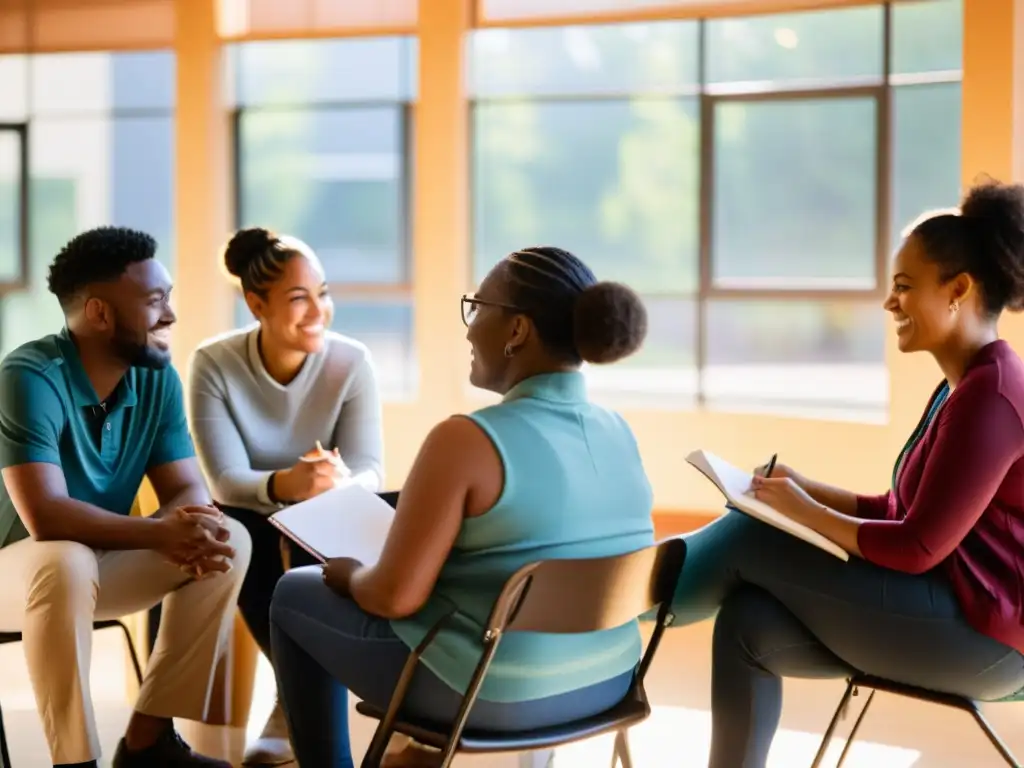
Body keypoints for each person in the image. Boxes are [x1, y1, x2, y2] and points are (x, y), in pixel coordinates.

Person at [669, 180, 1024, 768]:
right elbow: (898, 509)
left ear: (958, 290)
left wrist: (799, 515)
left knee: (754, 536)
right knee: (747, 623)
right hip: (954, 613)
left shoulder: (991, 397)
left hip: (989, 642)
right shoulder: (965, 386)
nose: (890, 304)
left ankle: (624, 600)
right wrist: (802, 489)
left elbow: (916, 546)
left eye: (904, 288)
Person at [267, 246, 652, 768]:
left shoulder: (466, 441)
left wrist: (351, 575)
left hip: (492, 696)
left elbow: (394, 598)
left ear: (517, 330)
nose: (469, 330)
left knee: (294, 591)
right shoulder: (620, 432)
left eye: (478, 307)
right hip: (611, 683)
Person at [0, 226, 252, 768]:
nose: (170, 316)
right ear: (99, 314)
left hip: (97, 566)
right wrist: (161, 531)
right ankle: (75, 760)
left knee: (229, 538)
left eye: (169, 297)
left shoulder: (154, 376)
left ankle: (148, 742)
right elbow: (46, 516)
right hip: (16, 573)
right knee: (62, 558)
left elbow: (185, 487)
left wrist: (186, 524)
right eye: (154, 300)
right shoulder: (27, 376)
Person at [187, 227, 384, 766]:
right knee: (238, 525)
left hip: (327, 508)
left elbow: (371, 470)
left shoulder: (352, 361)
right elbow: (225, 478)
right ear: (256, 304)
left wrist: (336, 482)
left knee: (354, 511)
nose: (318, 310)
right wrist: (284, 486)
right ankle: (289, 695)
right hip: (249, 514)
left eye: (322, 293)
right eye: (299, 298)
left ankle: (308, 696)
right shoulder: (214, 363)